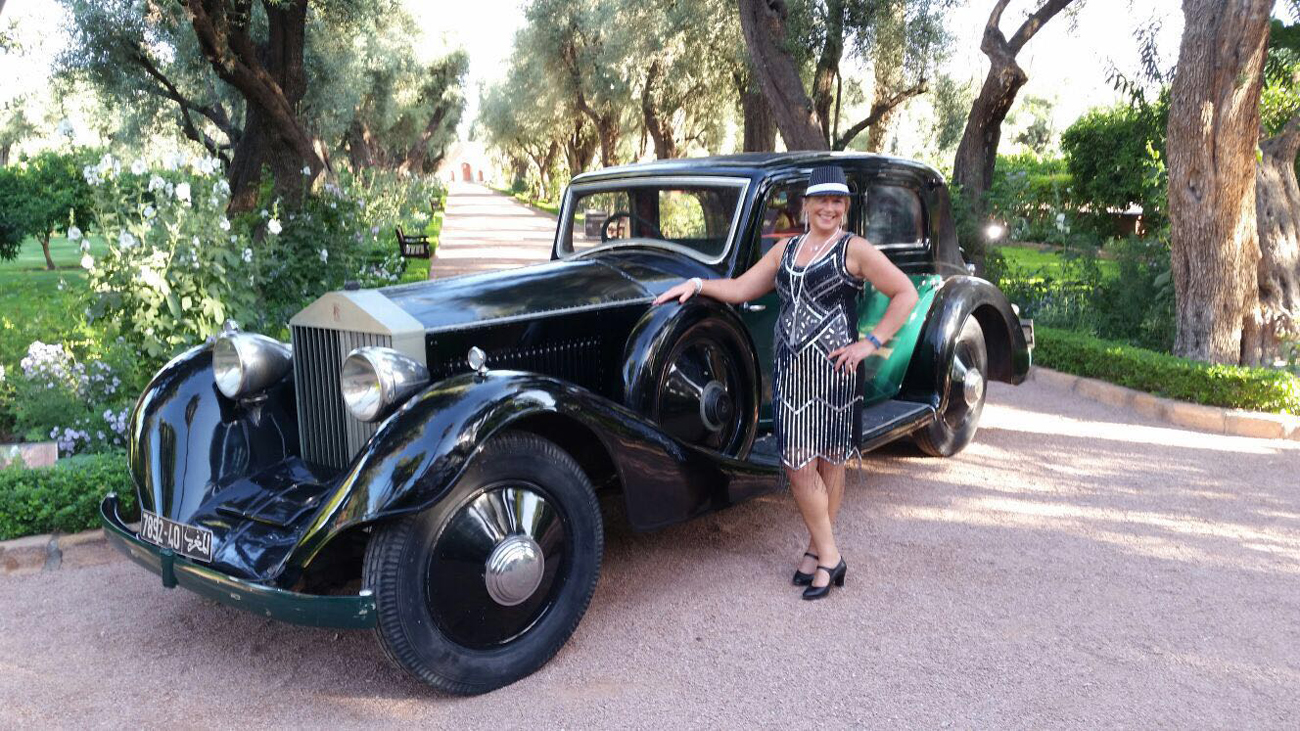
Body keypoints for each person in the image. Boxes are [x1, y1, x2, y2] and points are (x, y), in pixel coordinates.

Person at [653, 166, 919, 600]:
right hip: (792, 372)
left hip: (836, 371)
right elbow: (741, 288)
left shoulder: (855, 249)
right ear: (806, 205)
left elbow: (904, 292)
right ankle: (828, 554)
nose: (829, 208)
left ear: (844, 208)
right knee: (798, 464)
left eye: (837, 202)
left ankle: (822, 554)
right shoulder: (787, 250)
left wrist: (870, 343)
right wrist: (698, 284)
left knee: (829, 462)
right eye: (821, 201)